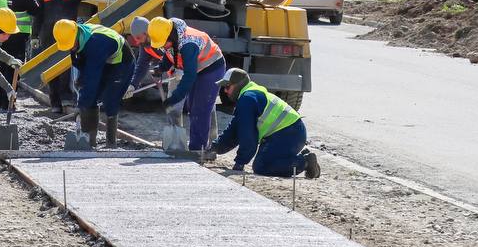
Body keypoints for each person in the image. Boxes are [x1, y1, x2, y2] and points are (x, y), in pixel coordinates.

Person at [136, 17, 226, 154]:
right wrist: (160, 69)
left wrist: (174, 98)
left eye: (164, 43)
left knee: (200, 109)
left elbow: (189, 76)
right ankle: (201, 146)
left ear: (170, 36)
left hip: (211, 68)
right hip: (197, 69)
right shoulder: (170, 35)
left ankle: (198, 150)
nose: (163, 46)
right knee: (192, 106)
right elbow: (169, 55)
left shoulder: (188, 44)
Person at [212, 67, 319, 179]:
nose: (225, 91)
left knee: (262, 166)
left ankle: (306, 162)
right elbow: (234, 129)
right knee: (262, 163)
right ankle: (300, 158)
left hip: (291, 134)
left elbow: (248, 136)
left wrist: (240, 163)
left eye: (228, 87)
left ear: (238, 85)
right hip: (288, 132)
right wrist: (215, 147)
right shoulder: (248, 96)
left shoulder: (247, 100)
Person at [32, 0, 108, 115]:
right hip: (48, 37)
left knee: (67, 66)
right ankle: (55, 103)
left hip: (69, 38)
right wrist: (34, 36)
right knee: (51, 69)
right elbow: (38, 17)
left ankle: (67, 97)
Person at [53, 18, 133, 147]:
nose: (72, 47)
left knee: (110, 100)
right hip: (102, 59)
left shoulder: (96, 43)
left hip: (121, 62)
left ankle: (111, 143)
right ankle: (90, 142)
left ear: (76, 34)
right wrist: (81, 80)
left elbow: (92, 79)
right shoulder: (74, 36)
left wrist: (81, 105)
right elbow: (81, 62)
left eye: (72, 44)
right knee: (91, 98)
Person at [0, 0, 40, 108]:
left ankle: (1, 103)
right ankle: (10, 104)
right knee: (14, 69)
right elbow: (36, 10)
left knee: (2, 67)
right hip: (17, 35)